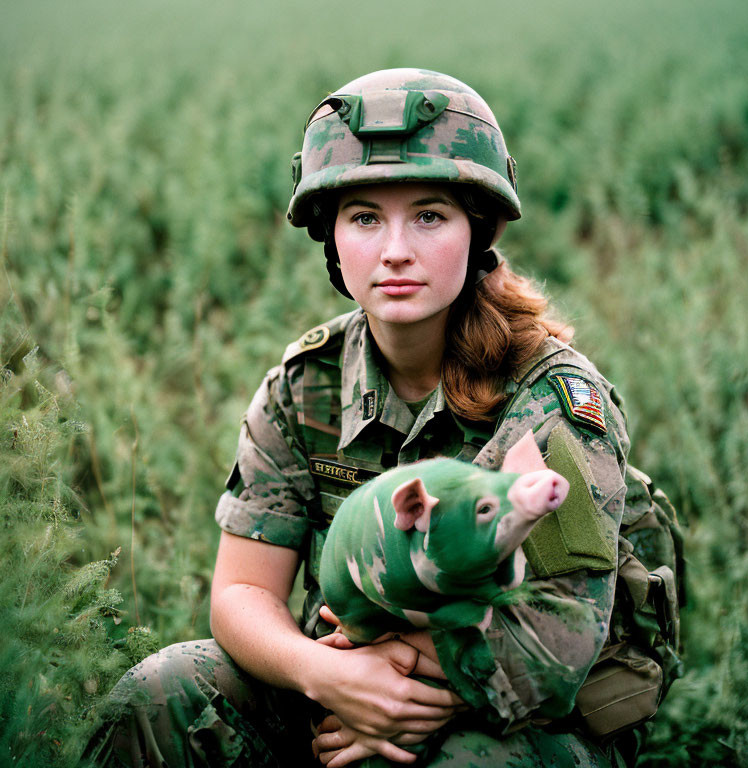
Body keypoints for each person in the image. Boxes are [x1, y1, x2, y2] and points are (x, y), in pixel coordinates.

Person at [85, 68, 639, 768]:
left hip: (513, 714)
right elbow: (243, 592)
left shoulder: (548, 397)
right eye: (365, 217)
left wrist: (388, 691)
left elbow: (560, 647)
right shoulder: (305, 385)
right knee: (163, 694)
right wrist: (329, 677)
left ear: (478, 231)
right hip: (337, 681)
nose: (396, 250)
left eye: (430, 215)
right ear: (332, 240)